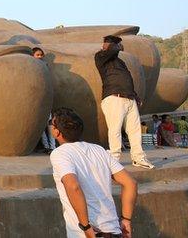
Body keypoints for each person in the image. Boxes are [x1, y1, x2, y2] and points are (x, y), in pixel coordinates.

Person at [48, 107, 138, 238]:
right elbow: (131, 183)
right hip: (113, 231)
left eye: (51, 124)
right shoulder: (98, 150)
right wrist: (126, 220)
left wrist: (85, 226)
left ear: (57, 132)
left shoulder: (60, 153)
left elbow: (73, 186)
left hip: (88, 233)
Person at [95, 35, 154, 169]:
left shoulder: (120, 62)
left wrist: (135, 96)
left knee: (135, 130)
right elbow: (111, 51)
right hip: (114, 98)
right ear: (104, 45)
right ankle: (114, 158)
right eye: (112, 43)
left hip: (129, 98)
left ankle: (138, 157)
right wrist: (115, 47)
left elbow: (127, 79)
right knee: (115, 129)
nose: (117, 46)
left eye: (116, 44)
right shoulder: (100, 57)